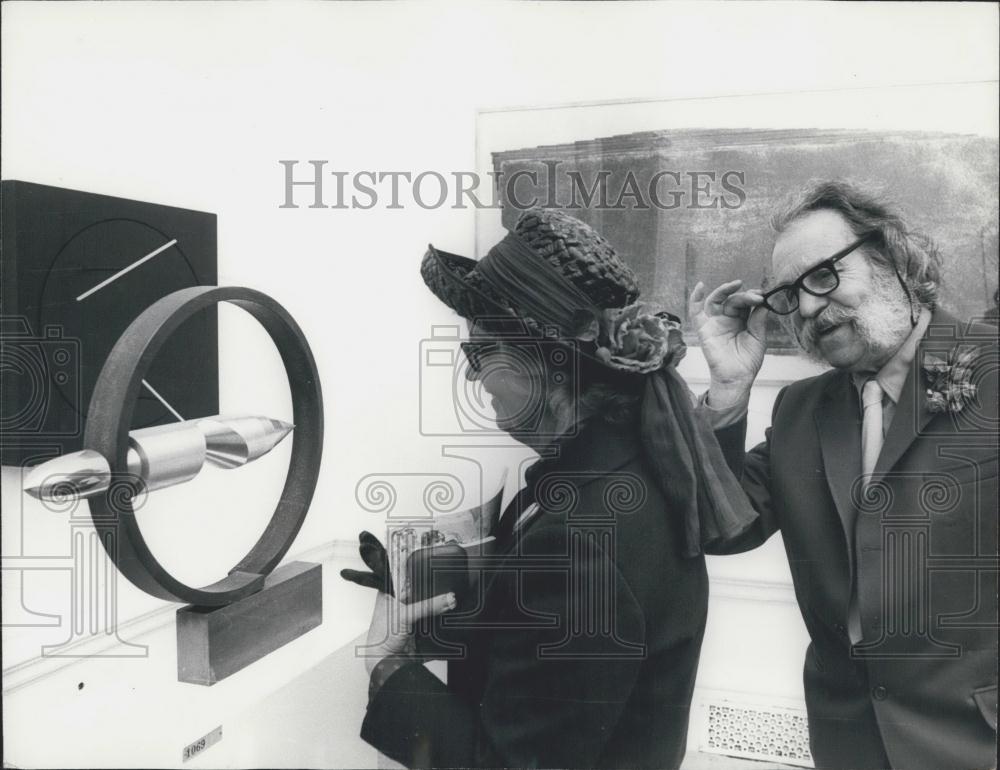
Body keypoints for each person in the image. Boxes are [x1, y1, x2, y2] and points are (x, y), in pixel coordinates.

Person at [343, 208, 757, 769]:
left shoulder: (578, 539)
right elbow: (556, 648)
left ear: (551, 366)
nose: (471, 375)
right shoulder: (629, 468)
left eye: (480, 352)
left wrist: (385, 666)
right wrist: (440, 595)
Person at [690, 180, 998, 770]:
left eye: (824, 275)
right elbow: (720, 527)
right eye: (788, 294)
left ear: (894, 258)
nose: (806, 307)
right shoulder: (801, 410)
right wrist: (728, 393)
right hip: (848, 737)